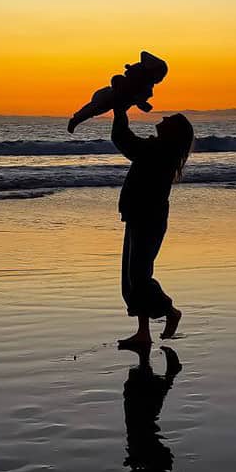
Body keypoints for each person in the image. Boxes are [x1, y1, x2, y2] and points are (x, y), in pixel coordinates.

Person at [111, 85, 193, 348]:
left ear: (174, 132)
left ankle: (170, 311)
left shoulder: (160, 151)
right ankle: (143, 332)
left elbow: (124, 141)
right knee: (133, 277)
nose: (164, 119)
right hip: (139, 214)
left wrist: (120, 112)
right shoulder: (160, 149)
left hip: (148, 217)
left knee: (139, 276)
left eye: (170, 120)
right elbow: (126, 142)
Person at [68, 51, 168, 133]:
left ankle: (77, 120)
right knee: (93, 109)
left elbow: (141, 101)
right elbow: (117, 80)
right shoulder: (129, 79)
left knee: (119, 116)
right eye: (159, 76)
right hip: (106, 97)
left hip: (121, 104)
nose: (159, 79)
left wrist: (142, 103)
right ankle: (75, 120)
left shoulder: (146, 88)